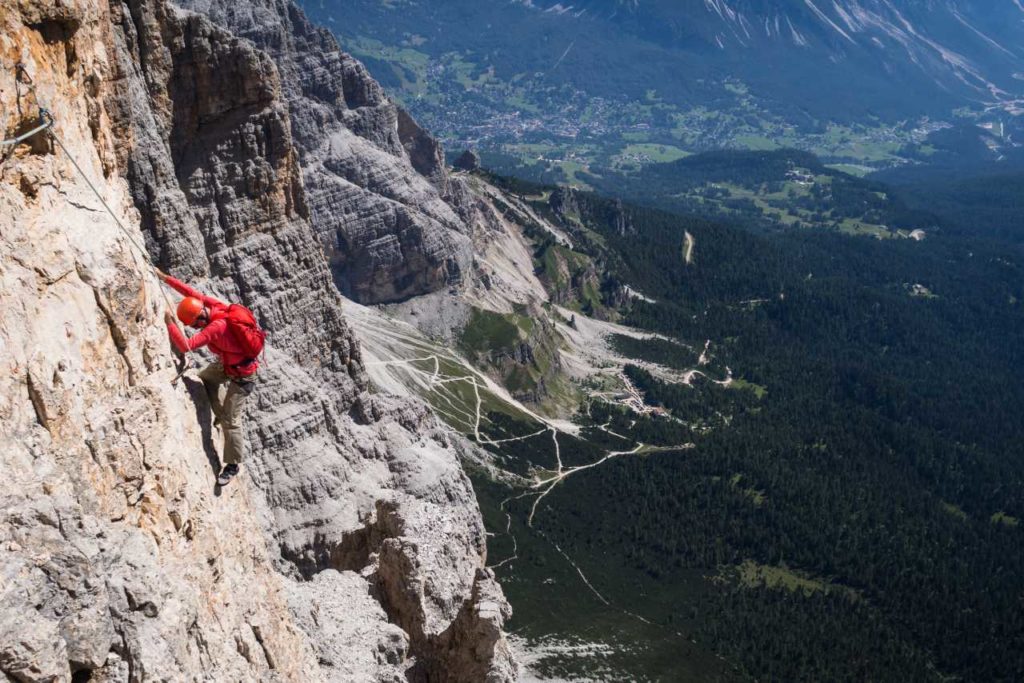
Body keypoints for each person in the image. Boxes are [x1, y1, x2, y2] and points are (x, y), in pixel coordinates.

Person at [157, 269, 263, 486]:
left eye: (194, 325)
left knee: (231, 420)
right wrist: (164, 278)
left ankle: (232, 465)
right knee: (206, 377)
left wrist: (169, 323)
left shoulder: (215, 328)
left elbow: (186, 346)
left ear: (199, 319)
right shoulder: (213, 306)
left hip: (243, 377)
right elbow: (190, 292)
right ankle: (219, 414)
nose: (195, 328)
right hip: (228, 365)